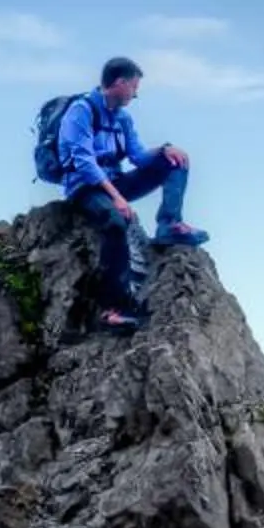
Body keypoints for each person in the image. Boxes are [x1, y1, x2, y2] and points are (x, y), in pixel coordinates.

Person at [55, 56, 208, 332]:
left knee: (175, 161)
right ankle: (111, 309)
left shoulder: (122, 118)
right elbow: (84, 163)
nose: (136, 94)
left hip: (114, 183)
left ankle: (170, 224)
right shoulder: (81, 111)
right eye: (134, 87)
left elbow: (137, 156)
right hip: (85, 188)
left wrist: (164, 150)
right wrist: (117, 198)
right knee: (115, 223)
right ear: (119, 83)